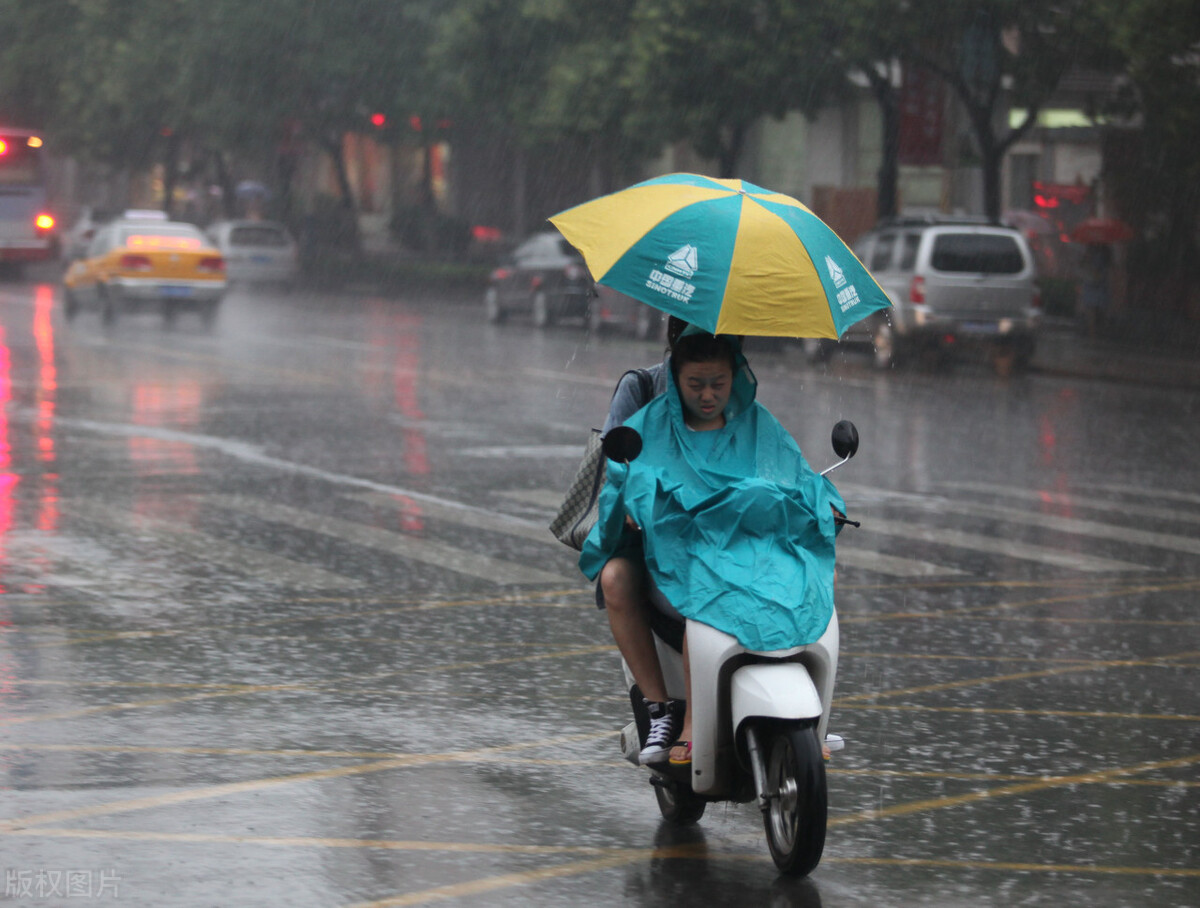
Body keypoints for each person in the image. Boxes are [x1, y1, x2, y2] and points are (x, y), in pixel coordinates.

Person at [584, 329, 845, 766]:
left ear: (736, 376)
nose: (708, 396)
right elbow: (622, 475)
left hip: (752, 546)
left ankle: (812, 712)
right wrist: (631, 503)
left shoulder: (759, 425)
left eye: (719, 384)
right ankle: (671, 715)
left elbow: (797, 476)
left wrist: (827, 503)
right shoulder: (648, 423)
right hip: (683, 553)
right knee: (689, 589)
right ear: (674, 372)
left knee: (817, 573)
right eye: (695, 384)